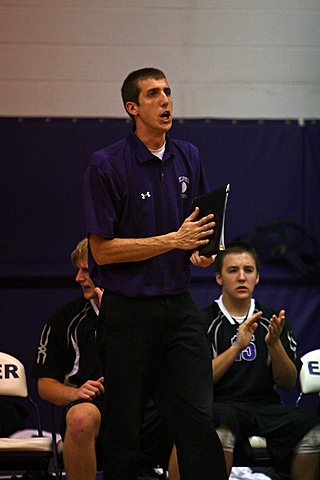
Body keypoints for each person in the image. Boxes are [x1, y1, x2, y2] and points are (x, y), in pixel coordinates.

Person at [83, 67, 227, 480]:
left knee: (198, 418)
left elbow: (195, 234)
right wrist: (173, 242)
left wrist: (202, 255)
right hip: (127, 312)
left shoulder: (189, 155)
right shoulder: (106, 164)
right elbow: (101, 251)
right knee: (124, 428)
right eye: (152, 94)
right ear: (133, 108)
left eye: (167, 91)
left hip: (178, 307)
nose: (165, 100)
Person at [32, 238, 172, 480]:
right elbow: (44, 384)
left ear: (108, 270)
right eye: (78, 270)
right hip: (96, 406)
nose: (78, 278)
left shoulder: (147, 311)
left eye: (86, 270)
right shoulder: (65, 319)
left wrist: (114, 313)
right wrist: (74, 394)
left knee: (191, 420)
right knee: (79, 417)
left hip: (144, 404)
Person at [202, 241, 320, 480]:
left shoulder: (273, 321)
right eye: (233, 270)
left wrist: (274, 345)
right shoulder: (203, 321)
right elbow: (199, 379)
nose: (242, 277)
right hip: (221, 404)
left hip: (264, 406)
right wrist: (237, 347)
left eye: (249, 270)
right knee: (219, 422)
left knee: (311, 425)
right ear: (218, 278)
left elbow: (288, 383)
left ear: (257, 278)